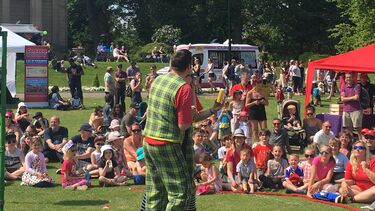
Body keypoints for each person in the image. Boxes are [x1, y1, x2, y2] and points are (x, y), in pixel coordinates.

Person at [141, 49, 196, 210]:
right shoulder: (183, 88)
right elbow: (183, 125)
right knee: (181, 192)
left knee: (155, 191)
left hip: (148, 141)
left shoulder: (157, 80)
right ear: (189, 67)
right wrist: (191, 115)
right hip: (167, 142)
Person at [246, 74, 268, 142]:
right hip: (253, 112)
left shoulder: (263, 91)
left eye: (261, 82)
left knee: (264, 129)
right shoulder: (250, 93)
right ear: (255, 84)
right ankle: (257, 143)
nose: (261, 84)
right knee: (255, 130)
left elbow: (267, 103)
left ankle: (264, 142)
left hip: (261, 111)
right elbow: (246, 105)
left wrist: (264, 102)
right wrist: (254, 103)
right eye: (259, 82)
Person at [341, 72, 363, 139]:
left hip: (356, 110)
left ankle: (361, 142)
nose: (348, 79)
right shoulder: (343, 86)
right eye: (347, 77)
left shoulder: (357, 86)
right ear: (345, 79)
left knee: (358, 128)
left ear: (353, 78)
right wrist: (352, 97)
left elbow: (357, 97)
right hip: (346, 110)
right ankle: (350, 143)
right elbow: (342, 99)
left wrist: (346, 98)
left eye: (349, 77)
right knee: (348, 129)